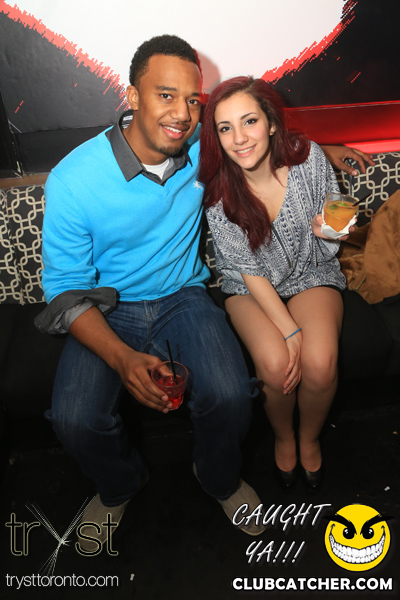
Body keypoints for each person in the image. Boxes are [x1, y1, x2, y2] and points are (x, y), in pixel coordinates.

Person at [36, 35, 373, 547]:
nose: (182, 113)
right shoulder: (73, 178)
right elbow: (63, 288)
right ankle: (120, 484)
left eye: (193, 100)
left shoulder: (201, 147)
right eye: (165, 95)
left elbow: (261, 146)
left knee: (232, 395)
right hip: (105, 308)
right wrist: (123, 359)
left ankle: (219, 479)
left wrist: (326, 152)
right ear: (132, 96)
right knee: (75, 419)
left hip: (181, 296)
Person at [198, 76, 355, 491]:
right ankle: (284, 437)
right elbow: (247, 271)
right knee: (274, 363)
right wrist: (290, 331)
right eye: (225, 128)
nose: (239, 138)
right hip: (249, 286)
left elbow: (331, 227)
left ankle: (309, 437)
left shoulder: (310, 159)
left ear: (270, 122)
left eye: (249, 121)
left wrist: (332, 232)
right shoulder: (218, 191)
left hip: (310, 273)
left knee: (320, 362)